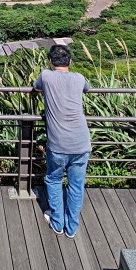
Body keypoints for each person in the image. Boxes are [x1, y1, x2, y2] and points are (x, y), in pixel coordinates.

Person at [33, 44, 91, 239]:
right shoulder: (79, 78)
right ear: (70, 62)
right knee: (76, 185)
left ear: (50, 62)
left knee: (54, 179)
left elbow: (36, 87)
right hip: (81, 141)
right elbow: (87, 88)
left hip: (58, 143)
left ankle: (57, 222)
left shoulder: (46, 76)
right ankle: (71, 227)